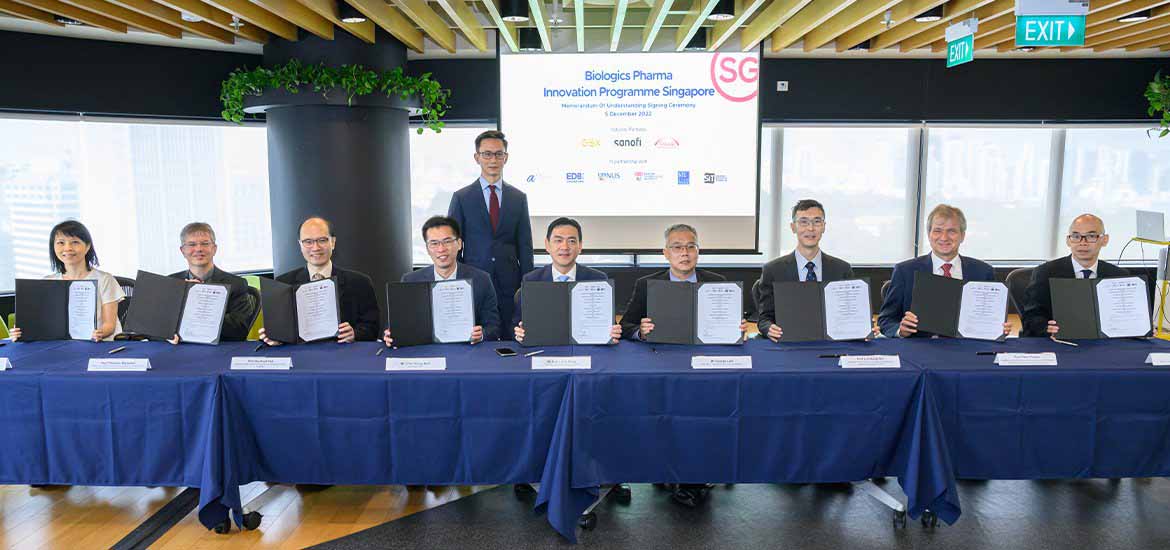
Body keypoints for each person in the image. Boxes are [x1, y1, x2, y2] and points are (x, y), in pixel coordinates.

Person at [618, 223, 746, 509]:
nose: (684, 253)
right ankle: (665, 467)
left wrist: (737, 328)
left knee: (703, 414)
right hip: (663, 363)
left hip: (706, 366)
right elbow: (625, 325)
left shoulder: (717, 281)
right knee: (665, 413)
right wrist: (641, 330)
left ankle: (696, 477)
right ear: (666, 253)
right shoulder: (647, 285)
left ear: (698, 251)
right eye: (677, 247)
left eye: (691, 246)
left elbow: (733, 326)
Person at [447, 130, 534, 339]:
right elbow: (453, 244)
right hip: (474, 281)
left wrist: (529, 285)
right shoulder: (461, 197)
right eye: (486, 154)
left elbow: (525, 244)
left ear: (506, 157)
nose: (493, 160)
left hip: (510, 283)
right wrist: (455, 283)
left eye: (498, 154)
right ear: (477, 158)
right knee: (477, 337)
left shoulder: (518, 198)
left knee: (510, 337)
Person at [878, 204, 1010, 338]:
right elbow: (886, 321)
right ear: (929, 235)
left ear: (962, 235)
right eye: (937, 231)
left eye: (951, 231)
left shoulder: (983, 272)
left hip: (968, 349)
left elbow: (992, 318)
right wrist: (901, 330)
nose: (944, 237)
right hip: (920, 350)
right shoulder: (905, 271)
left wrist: (999, 327)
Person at [259, 217, 379, 345]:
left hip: (343, 356)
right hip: (300, 357)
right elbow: (279, 329)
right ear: (300, 245)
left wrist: (355, 334)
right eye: (308, 242)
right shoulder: (283, 283)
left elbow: (373, 327)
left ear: (333, 242)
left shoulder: (359, 283)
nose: (315, 247)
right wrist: (273, 337)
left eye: (322, 240)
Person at [382, 216, 500, 346]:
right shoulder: (410, 280)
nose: (441, 249)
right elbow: (393, 326)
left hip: (466, 352)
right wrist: (389, 335)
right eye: (434, 243)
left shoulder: (481, 280)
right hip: (424, 352)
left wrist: (481, 334)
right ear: (427, 248)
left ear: (459, 244)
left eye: (447, 241)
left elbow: (493, 327)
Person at [756, 199, 857, 342]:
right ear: (793, 227)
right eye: (803, 222)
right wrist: (769, 328)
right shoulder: (773, 270)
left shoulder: (842, 269)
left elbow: (849, 313)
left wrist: (862, 326)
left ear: (823, 226)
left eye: (817, 221)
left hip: (832, 345)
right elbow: (764, 318)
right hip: (789, 344)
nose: (810, 228)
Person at [9, 220, 124, 342]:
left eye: (75, 242)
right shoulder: (47, 282)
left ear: (87, 246)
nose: (67, 248)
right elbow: (39, 324)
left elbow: (109, 325)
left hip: (98, 346)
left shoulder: (105, 280)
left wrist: (99, 333)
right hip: (58, 347)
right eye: (61, 243)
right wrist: (20, 333)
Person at [513, 217, 621, 344]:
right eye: (558, 240)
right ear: (547, 245)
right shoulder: (531, 280)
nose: (564, 247)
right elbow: (515, 324)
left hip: (588, 351)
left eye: (571, 241)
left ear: (580, 246)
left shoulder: (598, 279)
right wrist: (518, 333)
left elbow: (609, 324)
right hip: (545, 350)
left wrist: (613, 332)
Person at [1021, 214, 1128, 337]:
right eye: (1076, 236)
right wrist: (1045, 327)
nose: (1083, 243)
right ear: (1068, 240)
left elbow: (1126, 315)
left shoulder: (1119, 275)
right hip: (1059, 343)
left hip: (1105, 343)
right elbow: (1030, 316)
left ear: (1104, 240)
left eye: (1091, 236)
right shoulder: (1045, 272)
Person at [166, 222, 256, 342]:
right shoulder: (170, 282)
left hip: (219, 350)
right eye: (192, 244)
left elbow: (240, 330)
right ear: (183, 251)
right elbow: (153, 326)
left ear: (214, 249)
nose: (198, 249)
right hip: (177, 349)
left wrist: (200, 300)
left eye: (205, 243)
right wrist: (166, 336)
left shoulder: (236, 284)